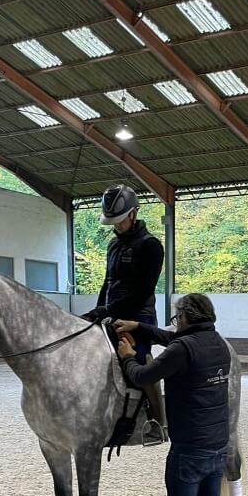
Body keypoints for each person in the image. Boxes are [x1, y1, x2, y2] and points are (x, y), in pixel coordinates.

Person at [114, 293, 231, 496]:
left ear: (187, 318)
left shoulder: (182, 349)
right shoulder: (217, 342)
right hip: (217, 446)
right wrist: (141, 326)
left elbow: (142, 376)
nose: (175, 323)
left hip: (188, 450)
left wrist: (127, 355)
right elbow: (174, 339)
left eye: (177, 317)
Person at [83, 184, 166, 437]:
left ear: (133, 213)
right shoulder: (113, 245)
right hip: (111, 310)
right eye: (112, 222)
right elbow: (107, 282)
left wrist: (108, 310)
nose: (116, 226)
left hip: (139, 315)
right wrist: (96, 311)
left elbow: (142, 291)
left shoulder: (151, 246)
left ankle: (157, 420)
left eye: (119, 220)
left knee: (138, 360)